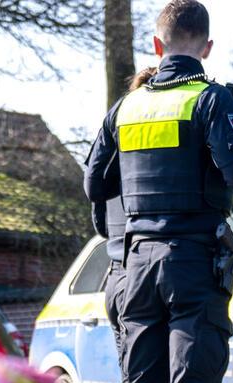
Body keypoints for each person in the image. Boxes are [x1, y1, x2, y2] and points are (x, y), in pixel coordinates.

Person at [83, 1, 233, 383]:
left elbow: (95, 187)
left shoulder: (125, 108)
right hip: (194, 266)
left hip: (136, 267)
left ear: (156, 44)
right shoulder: (210, 100)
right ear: (208, 47)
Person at [91, 65, 157, 365]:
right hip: (153, 273)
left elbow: (100, 223)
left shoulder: (117, 143)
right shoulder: (160, 161)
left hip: (118, 276)